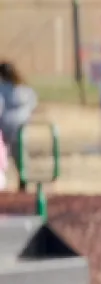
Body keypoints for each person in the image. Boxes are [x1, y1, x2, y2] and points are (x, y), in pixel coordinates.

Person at [0, 60, 39, 192]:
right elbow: (33, 102)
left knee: (3, 154)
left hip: (4, 127)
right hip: (21, 126)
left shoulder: (3, 89)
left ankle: (5, 179)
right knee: (20, 155)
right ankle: (23, 178)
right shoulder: (24, 89)